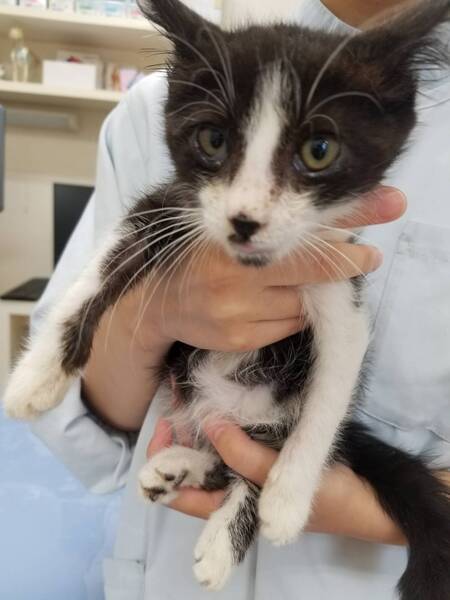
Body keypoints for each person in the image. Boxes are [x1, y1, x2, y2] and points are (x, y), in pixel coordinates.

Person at [27, 0, 450, 598]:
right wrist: (150, 315)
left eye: (317, 152)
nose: (250, 208)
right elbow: (77, 423)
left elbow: (343, 338)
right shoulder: (162, 101)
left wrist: (354, 505)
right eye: (216, 140)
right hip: (170, 554)